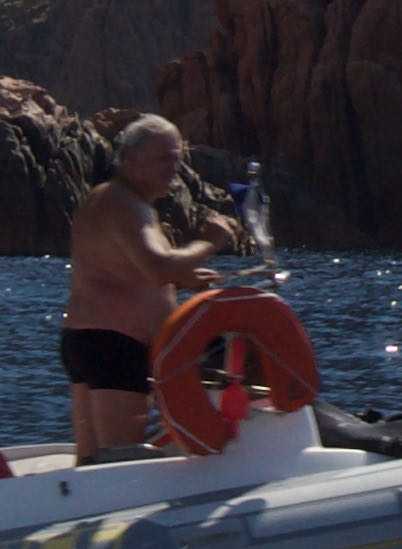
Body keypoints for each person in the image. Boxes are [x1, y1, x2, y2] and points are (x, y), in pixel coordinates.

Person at [61, 118, 261, 460]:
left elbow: (126, 270)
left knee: (93, 460)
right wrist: (210, 242)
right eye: (164, 159)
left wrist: (184, 279)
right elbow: (157, 267)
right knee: (116, 462)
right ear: (130, 157)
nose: (175, 169)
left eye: (177, 159)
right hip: (115, 346)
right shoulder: (125, 204)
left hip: (91, 341)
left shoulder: (108, 200)